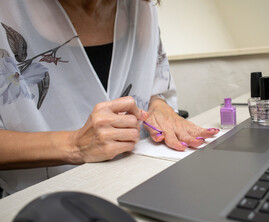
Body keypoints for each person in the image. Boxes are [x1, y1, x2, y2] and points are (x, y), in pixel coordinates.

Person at [0, 0, 219, 196]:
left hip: (137, 186)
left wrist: (158, 105)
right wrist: (75, 145)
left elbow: (152, 84)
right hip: (37, 205)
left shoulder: (142, 8)